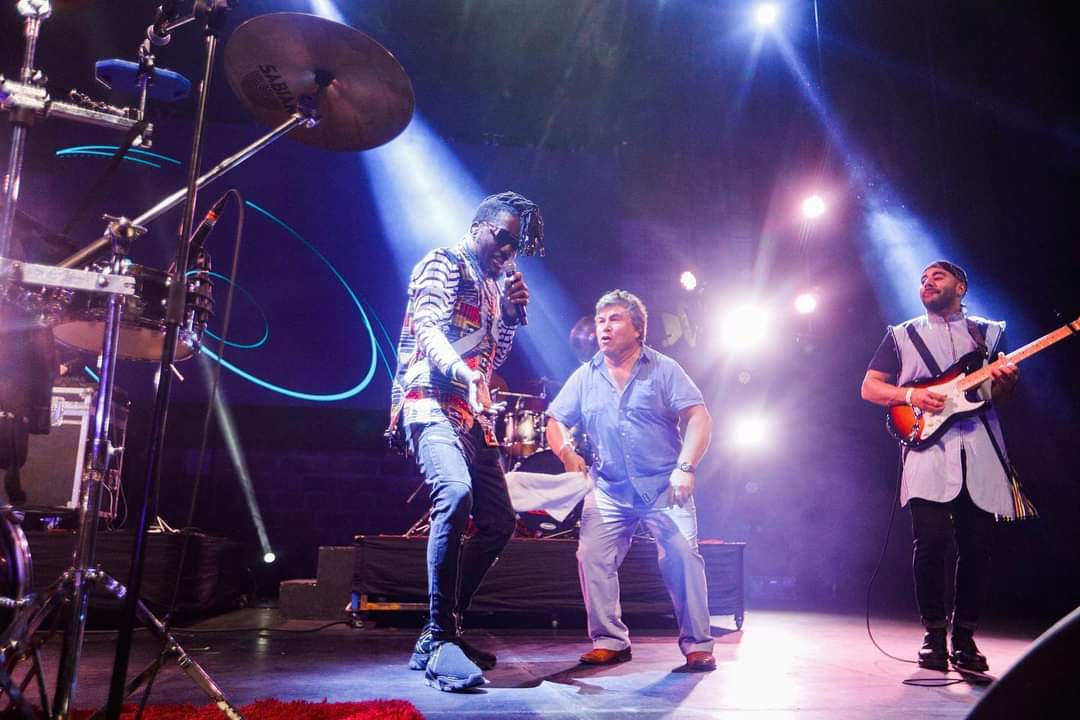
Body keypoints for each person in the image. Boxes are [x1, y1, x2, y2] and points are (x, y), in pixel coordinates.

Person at [386, 191, 543, 691]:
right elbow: (430, 330)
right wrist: (461, 371)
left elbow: (493, 358)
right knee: (454, 494)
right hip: (429, 399)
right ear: (478, 226)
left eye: (515, 246)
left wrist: (514, 318)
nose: (507, 251)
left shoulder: (496, 288)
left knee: (499, 522)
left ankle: (446, 629)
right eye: (502, 237)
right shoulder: (442, 262)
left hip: (472, 415)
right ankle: (437, 635)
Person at [860, 260, 1023, 673]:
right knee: (929, 544)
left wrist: (1004, 384)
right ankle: (933, 636)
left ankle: (964, 637)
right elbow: (869, 387)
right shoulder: (902, 334)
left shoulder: (989, 333)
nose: (927, 283)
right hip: (926, 449)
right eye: (922, 279)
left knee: (977, 549)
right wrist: (911, 396)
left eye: (938, 276)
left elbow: (995, 397)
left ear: (961, 286)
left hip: (979, 449)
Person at [545, 289, 716, 672]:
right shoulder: (585, 376)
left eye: (615, 319)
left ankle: (698, 645)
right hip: (608, 488)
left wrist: (685, 467)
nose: (604, 327)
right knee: (592, 556)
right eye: (600, 320)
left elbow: (698, 417)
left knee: (683, 558)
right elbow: (555, 421)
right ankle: (609, 641)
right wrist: (567, 453)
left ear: (638, 328)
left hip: (663, 487)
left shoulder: (664, 369)